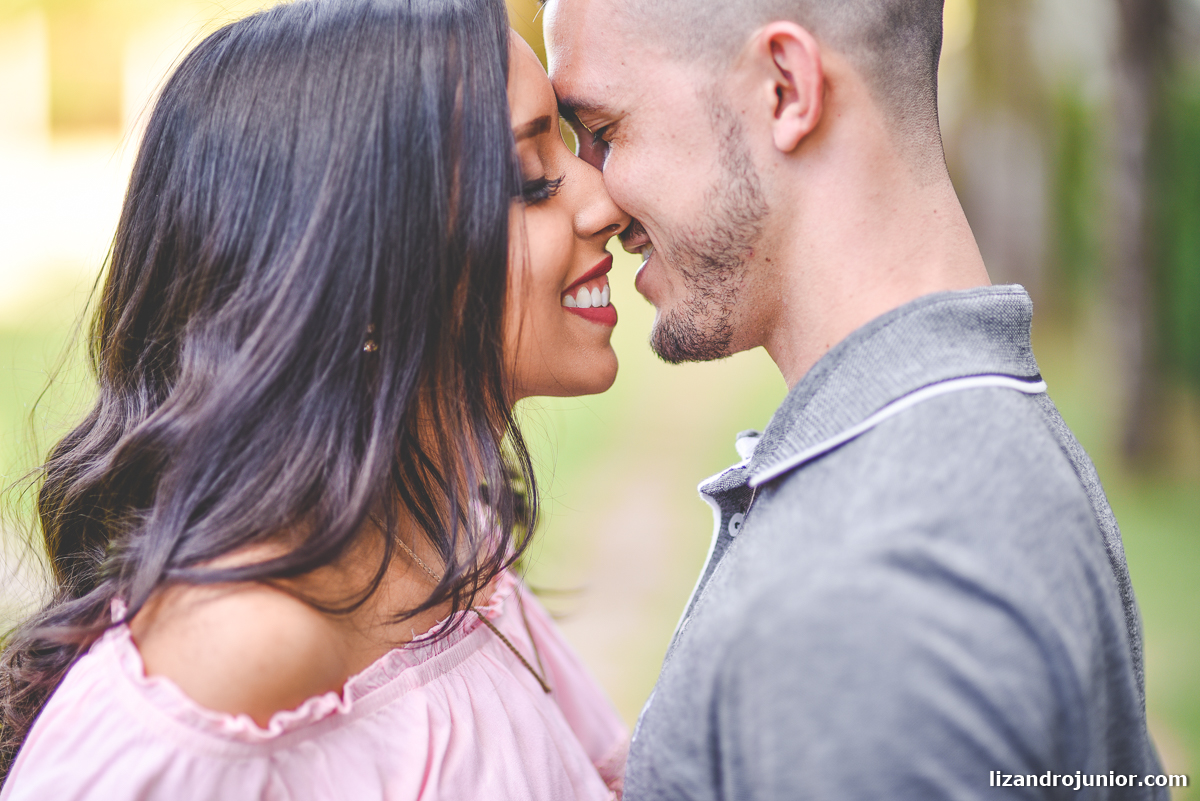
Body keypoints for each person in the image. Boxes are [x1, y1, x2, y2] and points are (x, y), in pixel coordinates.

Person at [0, 1, 632, 798]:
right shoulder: (239, 654)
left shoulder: (453, 541)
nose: (605, 203)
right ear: (352, 269)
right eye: (529, 180)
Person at [545, 0, 1166, 798]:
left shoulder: (870, 593)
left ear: (785, 88)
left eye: (604, 131)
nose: (595, 203)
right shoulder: (970, 445)